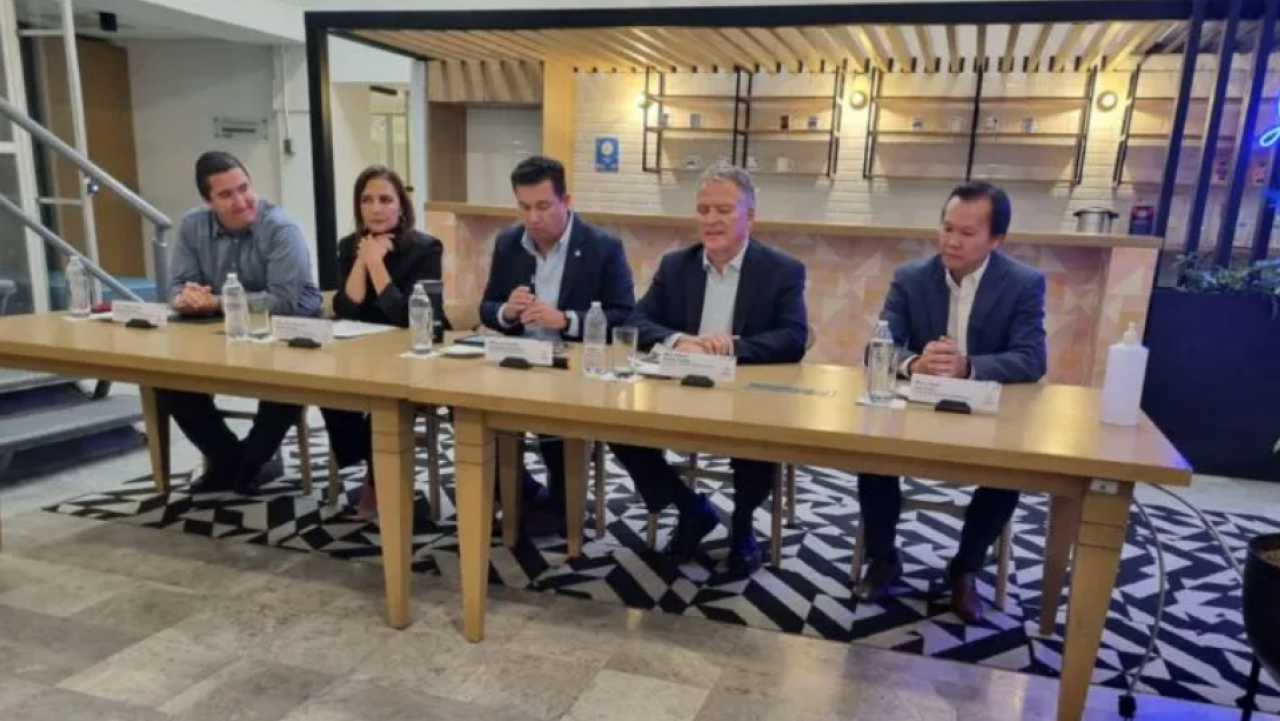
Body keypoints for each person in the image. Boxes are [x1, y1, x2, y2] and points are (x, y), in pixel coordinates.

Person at [855, 181, 1047, 622]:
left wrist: (967, 366)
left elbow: (1032, 358)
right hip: (917, 406)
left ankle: (965, 568)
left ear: (995, 240)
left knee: (1008, 471)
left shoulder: (1023, 283)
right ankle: (883, 558)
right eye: (947, 228)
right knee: (872, 451)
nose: (951, 241)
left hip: (986, 410)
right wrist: (914, 364)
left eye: (966, 233)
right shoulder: (911, 278)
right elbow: (878, 348)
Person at [610, 164, 808, 575]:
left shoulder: (782, 270)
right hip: (679, 388)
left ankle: (742, 529)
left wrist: (732, 346)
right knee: (617, 424)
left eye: (723, 210)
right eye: (703, 210)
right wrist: (678, 339)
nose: (711, 220)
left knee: (758, 437)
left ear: (750, 215)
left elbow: (793, 337)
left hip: (745, 394)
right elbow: (636, 321)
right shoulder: (676, 265)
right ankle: (691, 509)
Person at [480, 155, 635, 533]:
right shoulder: (508, 243)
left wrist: (566, 321)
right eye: (524, 207)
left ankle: (560, 507)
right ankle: (525, 496)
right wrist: (507, 312)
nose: (533, 218)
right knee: (468, 413)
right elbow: (487, 306)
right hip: (518, 364)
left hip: (573, 371)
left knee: (558, 423)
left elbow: (625, 316)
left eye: (543, 206)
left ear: (567, 200)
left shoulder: (603, 247)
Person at [162, 150, 322, 495]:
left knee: (287, 379)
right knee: (166, 377)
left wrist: (218, 301)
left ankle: (254, 459)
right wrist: (186, 298)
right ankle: (228, 458)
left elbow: (281, 301)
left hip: (286, 327)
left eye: (244, 188)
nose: (241, 201)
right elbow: (177, 285)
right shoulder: (192, 225)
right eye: (226, 194)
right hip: (219, 328)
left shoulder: (282, 228)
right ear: (207, 201)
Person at [321, 165, 449, 520]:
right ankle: (378, 459)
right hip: (362, 352)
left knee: (385, 404)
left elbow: (409, 317)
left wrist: (377, 265)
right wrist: (362, 261)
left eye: (385, 200)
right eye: (367, 200)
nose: (376, 209)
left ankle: (377, 482)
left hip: (414, 353)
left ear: (401, 206)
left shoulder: (425, 249)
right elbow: (347, 308)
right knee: (330, 393)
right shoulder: (349, 246)